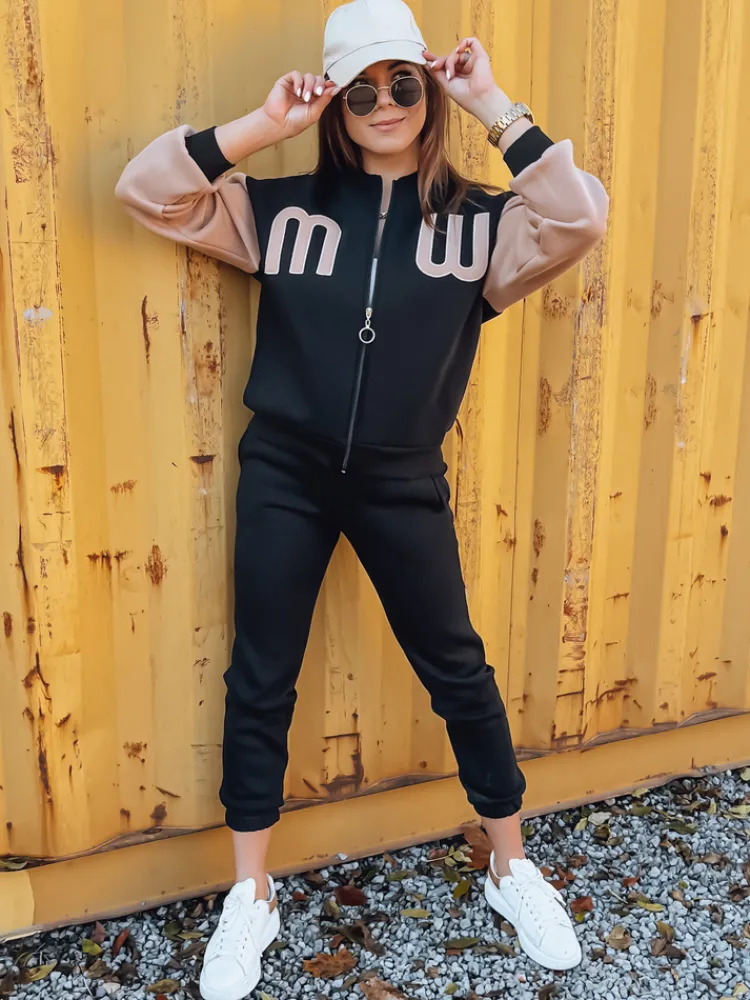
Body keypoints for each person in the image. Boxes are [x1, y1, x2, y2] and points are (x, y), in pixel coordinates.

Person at [115, 0, 608, 995]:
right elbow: (147, 192)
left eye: (403, 83)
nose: (385, 104)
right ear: (337, 104)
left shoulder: (485, 225)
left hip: (400, 479)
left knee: (457, 669)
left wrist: (494, 105)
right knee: (262, 676)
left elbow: (578, 216)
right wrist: (264, 128)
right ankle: (251, 892)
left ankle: (511, 866)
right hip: (286, 472)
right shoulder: (280, 209)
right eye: (361, 90)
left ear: (429, 90)